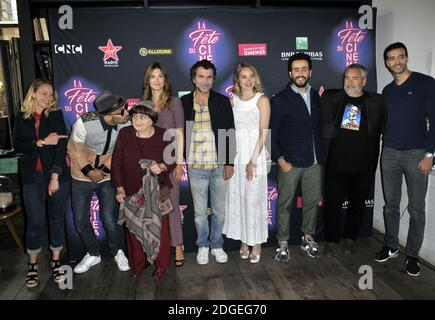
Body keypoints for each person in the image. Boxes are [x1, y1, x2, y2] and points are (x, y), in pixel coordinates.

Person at [375, 42, 435, 277]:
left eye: (401, 57)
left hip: (416, 154)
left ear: (407, 58)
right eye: (391, 58)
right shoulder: (388, 91)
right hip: (388, 152)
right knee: (391, 206)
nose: (397, 62)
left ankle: (412, 254)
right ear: (387, 62)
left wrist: (430, 155)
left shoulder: (425, 83)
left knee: (417, 208)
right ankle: (391, 246)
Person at [321, 64, 385, 257]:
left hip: (363, 165)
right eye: (347, 77)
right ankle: (331, 240)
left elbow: (384, 128)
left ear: (364, 81)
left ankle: (350, 238)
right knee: (332, 204)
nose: (349, 81)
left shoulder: (377, 102)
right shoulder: (331, 98)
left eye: (355, 78)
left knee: (358, 204)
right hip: (336, 164)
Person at [13, 79, 70, 288]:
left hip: (56, 176)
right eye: (44, 93)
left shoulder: (55, 115)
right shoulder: (21, 117)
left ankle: (56, 262)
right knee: (34, 222)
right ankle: (33, 265)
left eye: (51, 94)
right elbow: (19, 144)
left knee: (56, 219)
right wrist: (42, 142)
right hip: (32, 177)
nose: (48, 97)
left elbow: (60, 147)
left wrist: (55, 176)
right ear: (33, 94)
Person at [67, 91, 130, 274]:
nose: (127, 113)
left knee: (110, 220)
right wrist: (88, 170)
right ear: (109, 116)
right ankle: (93, 253)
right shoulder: (83, 123)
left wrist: (102, 172)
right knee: (80, 220)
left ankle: (118, 251)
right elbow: (74, 149)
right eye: (122, 111)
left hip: (108, 176)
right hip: (80, 176)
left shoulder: (127, 122)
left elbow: (122, 151)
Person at [112, 101, 175, 279]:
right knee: (133, 229)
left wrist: (162, 166)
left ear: (152, 119)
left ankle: (161, 265)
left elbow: (173, 160)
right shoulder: (125, 134)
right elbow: (116, 163)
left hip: (158, 190)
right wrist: (119, 187)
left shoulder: (163, 134)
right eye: (134, 116)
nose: (137, 120)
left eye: (142, 117)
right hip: (131, 190)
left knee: (160, 229)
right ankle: (137, 265)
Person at [181, 59, 235, 265]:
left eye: (209, 77)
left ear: (213, 79)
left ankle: (217, 245)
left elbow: (230, 131)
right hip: (196, 167)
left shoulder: (222, 101)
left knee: (219, 211)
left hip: (219, 165)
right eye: (201, 76)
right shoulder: (184, 102)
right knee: (199, 213)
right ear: (194, 79)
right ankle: (202, 245)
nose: (205, 81)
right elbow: (179, 133)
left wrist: (229, 162)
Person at [270, 52, 322, 262]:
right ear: (290, 72)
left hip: (315, 162)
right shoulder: (280, 100)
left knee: (311, 203)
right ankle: (282, 243)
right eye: (296, 69)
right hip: (290, 163)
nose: (300, 73)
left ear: (310, 72)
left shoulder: (316, 96)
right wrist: (281, 161)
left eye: (304, 69)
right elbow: (271, 134)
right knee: (284, 204)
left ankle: (307, 238)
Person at [223, 63, 270, 264]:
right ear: (237, 80)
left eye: (252, 76)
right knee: (240, 199)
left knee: (255, 200)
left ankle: (256, 243)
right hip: (237, 156)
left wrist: (252, 161)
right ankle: (244, 241)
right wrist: (229, 160)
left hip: (254, 156)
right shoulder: (232, 101)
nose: (248, 80)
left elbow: (263, 132)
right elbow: (228, 132)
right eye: (244, 77)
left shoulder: (262, 100)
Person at [142, 62, 185, 267]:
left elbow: (180, 133)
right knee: (152, 207)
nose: (157, 80)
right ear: (148, 80)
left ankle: (178, 246)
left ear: (165, 80)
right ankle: (156, 248)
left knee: (173, 205)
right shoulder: (143, 105)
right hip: (149, 164)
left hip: (170, 161)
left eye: (160, 76)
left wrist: (179, 163)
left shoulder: (174, 102)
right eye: (153, 76)